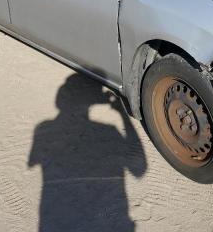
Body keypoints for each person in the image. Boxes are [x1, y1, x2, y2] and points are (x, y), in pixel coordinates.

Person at [29, 74, 146, 231]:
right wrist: (122, 114)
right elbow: (139, 170)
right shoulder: (109, 131)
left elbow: (33, 163)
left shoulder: (43, 129)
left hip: (58, 218)